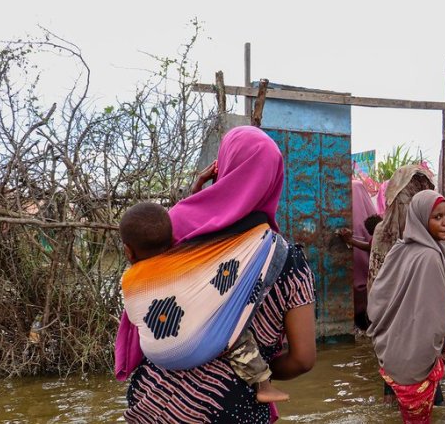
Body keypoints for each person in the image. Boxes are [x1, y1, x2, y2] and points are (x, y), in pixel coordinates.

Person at [119, 126, 316, 423]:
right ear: (274, 178)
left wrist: (194, 198)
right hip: (223, 408)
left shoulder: (179, 226)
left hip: (150, 400)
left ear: (224, 167)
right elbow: (302, 359)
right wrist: (254, 372)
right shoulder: (288, 262)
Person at [119, 200, 289, 403]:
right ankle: (263, 386)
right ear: (173, 238)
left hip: (158, 357)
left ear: (128, 251)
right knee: (233, 327)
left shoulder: (127, 281)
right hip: (200, 349)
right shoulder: (188, 259)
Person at [367, 190, 445, 424]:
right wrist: (437, 351)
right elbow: (439, 320)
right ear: (421, 218)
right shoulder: (431, 257)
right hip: (418, 360)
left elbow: (377, 298)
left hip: (391, 354)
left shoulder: (399, 249)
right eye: (437, 217)